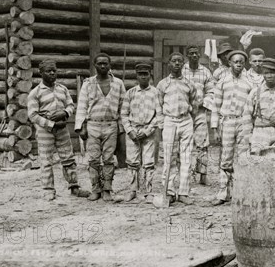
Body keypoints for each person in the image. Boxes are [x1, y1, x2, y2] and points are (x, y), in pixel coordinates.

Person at [27, 60, 89, 200]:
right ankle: (48, 190)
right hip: (45, 131)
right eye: (49, 71)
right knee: (46, 161)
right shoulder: (35, 93)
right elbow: (32, 115)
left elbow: (71, 105)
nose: (52, 73)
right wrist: (51, 124)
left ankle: (74, 188)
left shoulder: (62, 89)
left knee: (68, 158)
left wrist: (65, 113)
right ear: (41, 73)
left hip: (62, 129)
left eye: (54, 70)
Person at [76, 53, 126, 202]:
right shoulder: (88, 84)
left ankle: (107, 189)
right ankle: (95, 189)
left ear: (110, 65)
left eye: (106, 63)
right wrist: (81, 126)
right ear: (95, 65)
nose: (103, 66)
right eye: (100, 64)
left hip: (111, 125)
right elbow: (82, 106)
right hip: (93, 125)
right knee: (93, 159)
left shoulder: (118, 83)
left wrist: (121, 127)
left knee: (109, 159)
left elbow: (123, 106)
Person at [211, 50, 253, 206]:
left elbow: (252, 105)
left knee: (243, 157)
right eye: (236, 62)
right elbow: (215, 106)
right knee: (226, 158)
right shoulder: (222, 81)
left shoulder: (249, 83)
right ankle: (223, 192)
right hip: (227, 121)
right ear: (230, 63)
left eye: (241, 62)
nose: (239, 64)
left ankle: (241, 192)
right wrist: (215, 128)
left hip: (244, 122)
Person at [156, 52, 198, 205]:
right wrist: (162, 124)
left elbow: (194, 102)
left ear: (183, 63)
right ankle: (169, 191)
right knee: (169, 158)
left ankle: (183, 192)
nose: (177, 64)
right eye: (174, 61)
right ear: (169, 63)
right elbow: (158, 105)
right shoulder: (162, 84)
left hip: (185, 121)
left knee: (186, 158)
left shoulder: (188, 83)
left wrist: (189, 115)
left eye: (180, 61)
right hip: (169, 121)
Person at [120, 63, 163, 203]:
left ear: (150, 75)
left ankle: (148, 192)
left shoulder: (156, 93)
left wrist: (148, 131)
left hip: (148, 132)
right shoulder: (130, 93)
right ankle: (132, 190)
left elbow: (159, 115)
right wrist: (130, 131)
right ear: (136, 76)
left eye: (146, 74)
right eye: (141, 74)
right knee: (132, 162)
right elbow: (124, 114)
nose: (143, 77)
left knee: (149, 162)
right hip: (133, 131)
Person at [182, 45, 215, 185]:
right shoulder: (182, 70)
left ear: (200, 55)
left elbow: (211, 92)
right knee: (185, 144)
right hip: (185, 113)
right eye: (191, 54)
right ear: (187, 56)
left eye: (196, 53)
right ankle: (186, 176)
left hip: (200, 112)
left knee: (202, 143)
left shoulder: (206, 72)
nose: (194, 56)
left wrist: (203, 103)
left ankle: (202, 174)